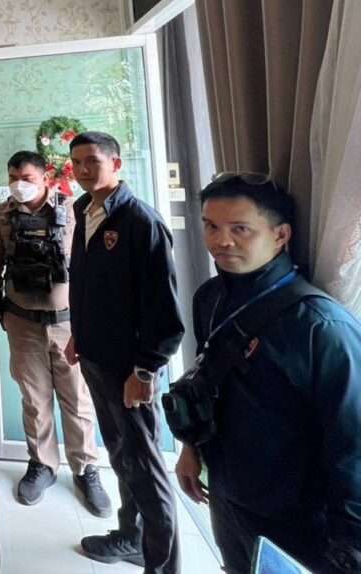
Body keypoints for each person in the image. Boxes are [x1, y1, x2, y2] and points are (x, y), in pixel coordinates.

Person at [173, 174, 361, 573]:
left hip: (298, 519)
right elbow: (204, 379)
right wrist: (190, 448)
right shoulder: (209, 298)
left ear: (280, 235)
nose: (221, 241)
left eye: (240, 229)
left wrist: (349, 547)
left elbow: (353, 444)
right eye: (211, 226)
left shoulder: (322, 326)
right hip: (227, 495)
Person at [66, 131, 184, 572]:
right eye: (76, 162)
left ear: (116, 163)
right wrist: (79, 334)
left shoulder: (140, 221)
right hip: (97, 358)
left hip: (130, 369)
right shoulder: (85, 211)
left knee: (147, 469)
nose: (83, 170)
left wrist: (146, 370)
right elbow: (89, 285)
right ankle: (130, 537)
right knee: (122, 456)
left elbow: (164, 310)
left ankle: (164, 565)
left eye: (92, 161)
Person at [0, 151, 110, 516]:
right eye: (13, 177)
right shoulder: (1, 217)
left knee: (77, 399)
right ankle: (42, 464)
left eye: (28, 178)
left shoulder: (75, 211)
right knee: (34, 399)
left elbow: (94, 267)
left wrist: (97, 317)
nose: (19, 184)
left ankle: (86, 468)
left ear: (45, 177)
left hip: (69, 324)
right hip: (23, 323)